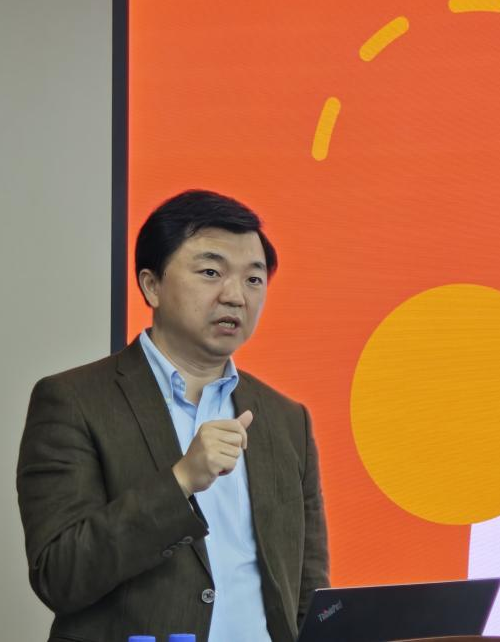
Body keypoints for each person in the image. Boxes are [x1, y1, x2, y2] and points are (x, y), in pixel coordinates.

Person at [17, 190, 329, 642]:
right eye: (211, 272)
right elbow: (59, 575)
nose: (235, 296)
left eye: (253, 279)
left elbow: (309, 588)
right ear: (152, 286)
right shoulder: (73, 401)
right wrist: (180, 481)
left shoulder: (286, 419)